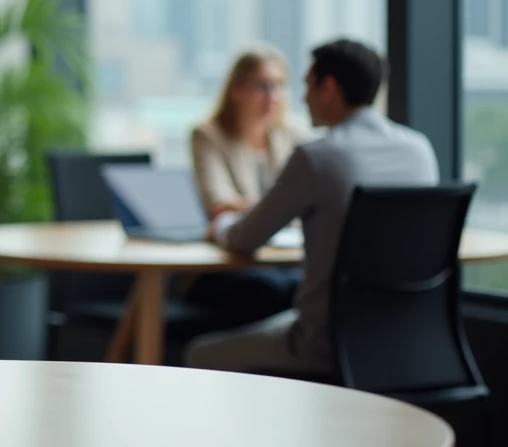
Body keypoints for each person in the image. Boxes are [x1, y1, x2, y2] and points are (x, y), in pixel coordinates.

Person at [184, 39, 440, 375]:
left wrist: (220, 226)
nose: (301, 99)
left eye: (306, 86)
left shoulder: (318, 156)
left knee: (197, 355)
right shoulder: (420, 149)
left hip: (324, 343)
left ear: (328, 88)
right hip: (403, 338)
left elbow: (243, 238)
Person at [183, 47, 303, 324]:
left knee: (305, 285)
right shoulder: (208, 135)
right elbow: (218, 203)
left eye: (279, 86)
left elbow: (308, 199)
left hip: (282, 259)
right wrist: (287, 209)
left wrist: (268, 209)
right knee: (269, 289)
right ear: (236, 90)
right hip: (225, 265)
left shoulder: (292, 134)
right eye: (262, 86)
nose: (273, 96)